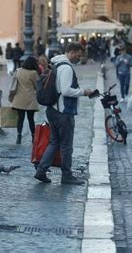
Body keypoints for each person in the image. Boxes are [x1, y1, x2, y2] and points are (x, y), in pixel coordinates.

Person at [34, 43, 94, 185]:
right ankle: (66, 175)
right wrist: (83, 92)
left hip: (52, 109)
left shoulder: (56, 64)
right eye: (78, 56)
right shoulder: (66, 68)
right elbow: (66, 90)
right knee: (66, 145)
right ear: (71, 52)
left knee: (54, 142)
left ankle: (41, 171)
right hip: (63, 112)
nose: (79, 59)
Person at [11, 57, 40, 144]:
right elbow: (37, 86)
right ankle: (33, 137)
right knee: (31, 119)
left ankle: (19, 136)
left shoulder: (18, 71)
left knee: (20, 118)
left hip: (19, 98)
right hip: (30, 99)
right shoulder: (33, 73)